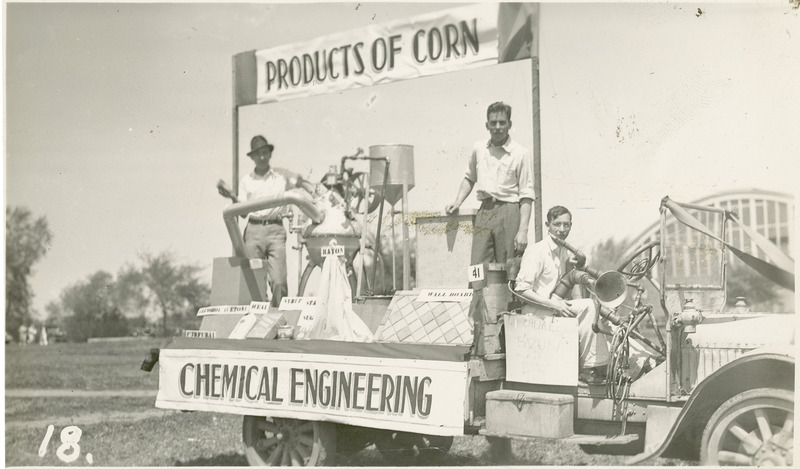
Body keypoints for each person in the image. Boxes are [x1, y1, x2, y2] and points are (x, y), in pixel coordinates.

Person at [514, 206, 611, 383]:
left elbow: (569, 284)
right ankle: (591, 369)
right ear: (547, 225)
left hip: (553, 308)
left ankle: (603, 366)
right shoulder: (537, 251)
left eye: (566, 225)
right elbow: (520, 290)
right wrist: (554, 305)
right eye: (557, 224)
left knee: (598, 310)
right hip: (535, 312)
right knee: (589, 307)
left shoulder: (563, 252)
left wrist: (578, 268)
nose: (562, 230)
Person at [445, 101, 534, 266]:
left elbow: (527, 195)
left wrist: (523, 230)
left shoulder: (521, 153)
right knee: (477, 266)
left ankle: (509, 293)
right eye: (493, 123)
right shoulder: (479, 149)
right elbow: (470, 177)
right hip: (484, 211)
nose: (498, 127)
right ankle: (477, 293)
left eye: (502, 123)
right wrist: (458, 201)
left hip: (509, 211)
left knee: (509, 266)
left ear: (510, 125)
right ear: (487, 125)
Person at [238, 135, 294, 307]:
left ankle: (278, 316)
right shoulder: (246, 181)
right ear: (252, 157)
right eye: (257, 154)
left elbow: (299, 185)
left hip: (276, 231)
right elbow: (241, 213)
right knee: (254, 282)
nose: (261, 157)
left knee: (279, 281)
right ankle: (257, 321)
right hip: (253, 232)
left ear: (269, 154)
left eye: (264, 153)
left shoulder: (280, 178)